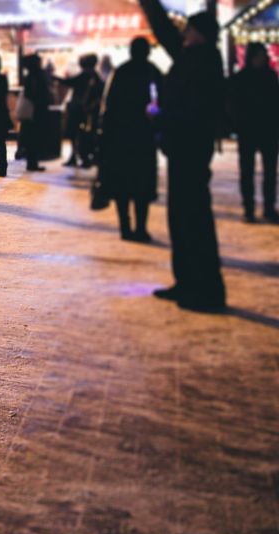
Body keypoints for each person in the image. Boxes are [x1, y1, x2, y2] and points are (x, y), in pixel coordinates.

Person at [139, 0, 227, 312]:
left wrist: (159, 116)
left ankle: (206, 291)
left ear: (200, 34)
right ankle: (187, 282)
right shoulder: (192, 56)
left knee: (194, 219)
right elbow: (165, 31)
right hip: (181, 150)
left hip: (191, 150)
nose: (184, 33)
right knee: (181, 218)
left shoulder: (205, 63)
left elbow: (193, 112)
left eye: (189, 29)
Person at [99, 37, 163, 242]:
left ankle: (125, 227)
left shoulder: (121, 72)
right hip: (143, 136)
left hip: (120, 136)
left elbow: (108, 107)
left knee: (122, 184)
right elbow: (161, 102)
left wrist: (105, 134)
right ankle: (141, 228)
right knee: (142, 186)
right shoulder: (152, 71)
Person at [227, 42, 279, 223]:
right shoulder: (245, 79)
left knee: (269, 172)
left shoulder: (268, 77)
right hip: (251, 130)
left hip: (265, 130)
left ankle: (267, 207)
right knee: (249, 171)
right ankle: (250, 208)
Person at [57, 54, 102, 167]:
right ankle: (83, 158)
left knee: (76, 134)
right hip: (88, 110)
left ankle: (79, 158)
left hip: (79, 109)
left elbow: (71, 82)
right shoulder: (95, 75)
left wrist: (55, 78)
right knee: (84, 134)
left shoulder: (86, 74)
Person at [17, 53, 52, 174]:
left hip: (34, 111)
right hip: (36, 111)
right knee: (34, 137)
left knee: (31, 136)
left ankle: (31, 161)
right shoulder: (36, 75)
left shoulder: (30, 76)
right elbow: (34, 93)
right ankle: (32, 162)